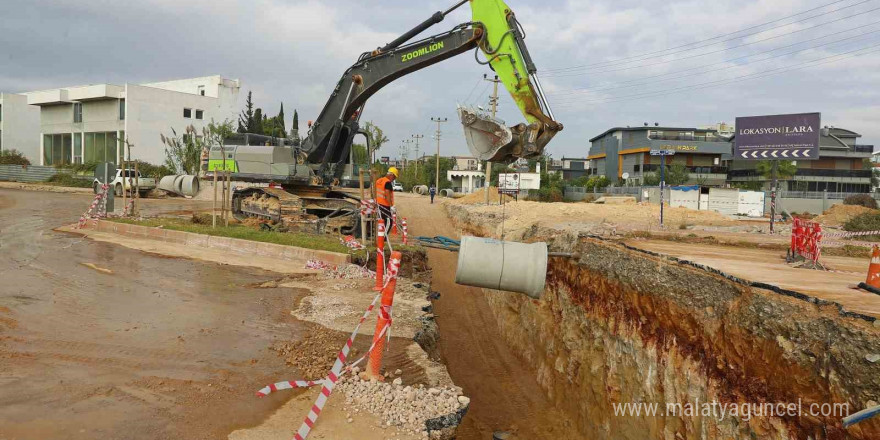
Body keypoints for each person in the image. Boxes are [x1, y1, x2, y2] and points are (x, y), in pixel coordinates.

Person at [375, 167, 399, 232]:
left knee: (380, 222)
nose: (394, 179)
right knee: (389, 222)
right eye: (394, 177)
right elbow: (387, 195)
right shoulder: (387, 183)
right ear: (391, 175)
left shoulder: (379, 180)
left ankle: (380, 237)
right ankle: (384, 238)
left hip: (377, 204)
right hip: (384, 206)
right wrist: (391, 206)